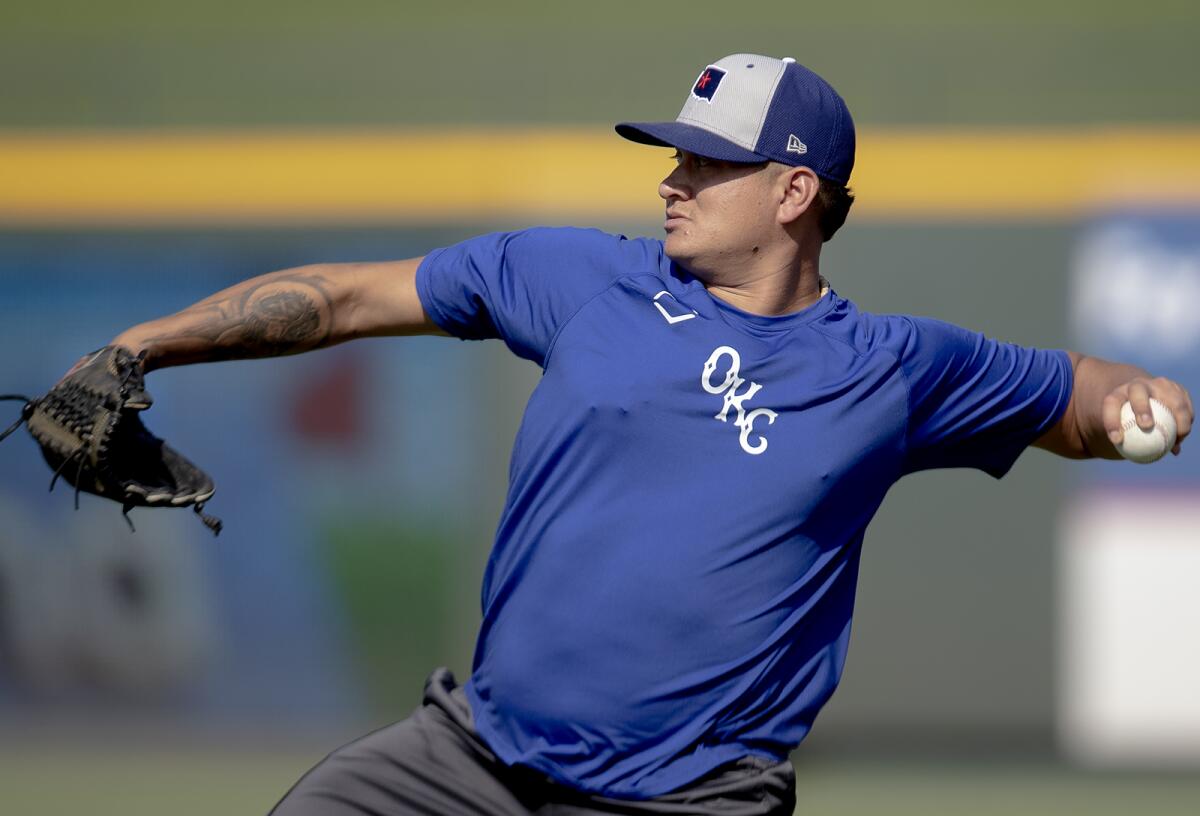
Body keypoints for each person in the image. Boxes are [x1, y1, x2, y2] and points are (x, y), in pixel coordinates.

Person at [103, 55, 1192, 815]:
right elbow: (342, 298)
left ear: (794, 191)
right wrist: (139, 347)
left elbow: (1070, 396)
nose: (673, 178)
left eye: (709, 163)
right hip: (473, 758)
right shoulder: (583, 281)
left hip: (693, 795)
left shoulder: (894, 369)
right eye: (676, 154)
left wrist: (1133, 396)